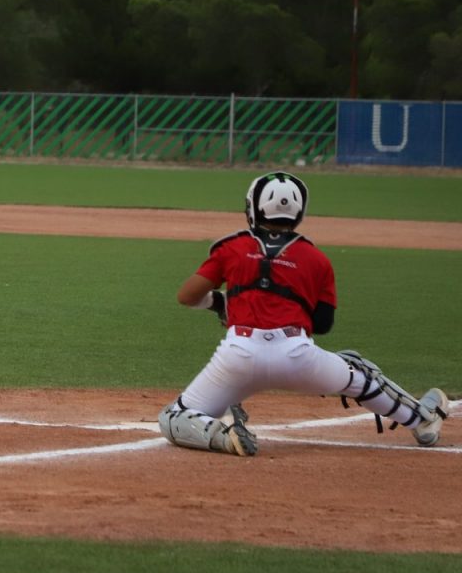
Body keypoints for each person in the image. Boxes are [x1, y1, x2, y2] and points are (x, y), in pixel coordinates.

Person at [159, 171, 447, 457]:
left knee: (175, 416)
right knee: (357, 373)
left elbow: (187, 296)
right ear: (298, 213)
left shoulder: (232, 248)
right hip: (297, 356)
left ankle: (225, 434)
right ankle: (422, 421)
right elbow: (322, 324)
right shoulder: (316, 259)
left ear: (253, 208)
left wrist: (221, 303)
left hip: (238, 356)